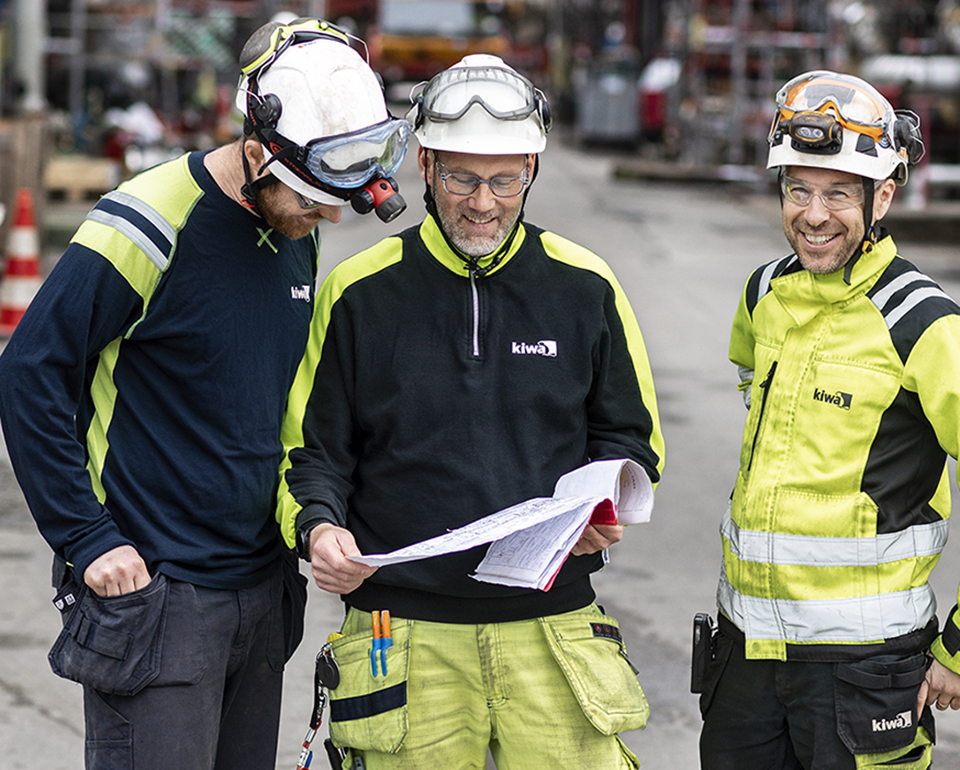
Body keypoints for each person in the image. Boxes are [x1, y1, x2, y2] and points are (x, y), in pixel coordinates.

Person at [0, 18, 409, 770]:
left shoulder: (296, 225)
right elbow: (30, 369)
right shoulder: (149, 221)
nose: (326, 216)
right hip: (159, 594)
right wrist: (85, 537)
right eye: (312, 199)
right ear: (257, 152)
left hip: (260, 594)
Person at [276, 54, 665, 769]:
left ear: (531, 170)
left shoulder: (586, 286)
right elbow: (311, 454)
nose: (483, 203)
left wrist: (605, 505)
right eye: (461, 178)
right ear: (424, 165)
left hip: (553, 630)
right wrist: (319, 529)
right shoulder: (360, 292)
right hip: (401, 633)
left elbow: (629, 437)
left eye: (505, 179)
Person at [697, 70, 960, 769]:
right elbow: (755, 389)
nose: (813, 215)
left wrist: (959, 648)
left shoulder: (924, 324)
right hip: (746, 654)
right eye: (798, 190)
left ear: (883, 196)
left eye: (839, 193)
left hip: (867, 670)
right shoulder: (764, 292)